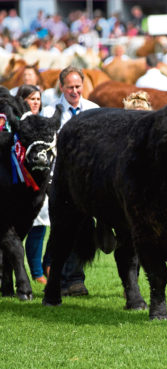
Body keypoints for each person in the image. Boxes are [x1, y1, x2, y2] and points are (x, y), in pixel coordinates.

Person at [41, 66, 100, 296]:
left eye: (78, 87)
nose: (74, 91)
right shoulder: (50, 113)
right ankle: (60, 276)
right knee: (60, 229)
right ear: (61, 87)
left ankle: (74, 278)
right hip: (58, 180)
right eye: (69, 87)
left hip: (86, 181)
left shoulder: (94, 110)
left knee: (83, 227)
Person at [15, 85, 47, 284]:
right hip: (16, 182)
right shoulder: (12, 122)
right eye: (31, 98)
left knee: (40, 225)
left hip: (39, 184)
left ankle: (37, 272)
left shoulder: (44, 123)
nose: (35, 102)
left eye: (38, 98)